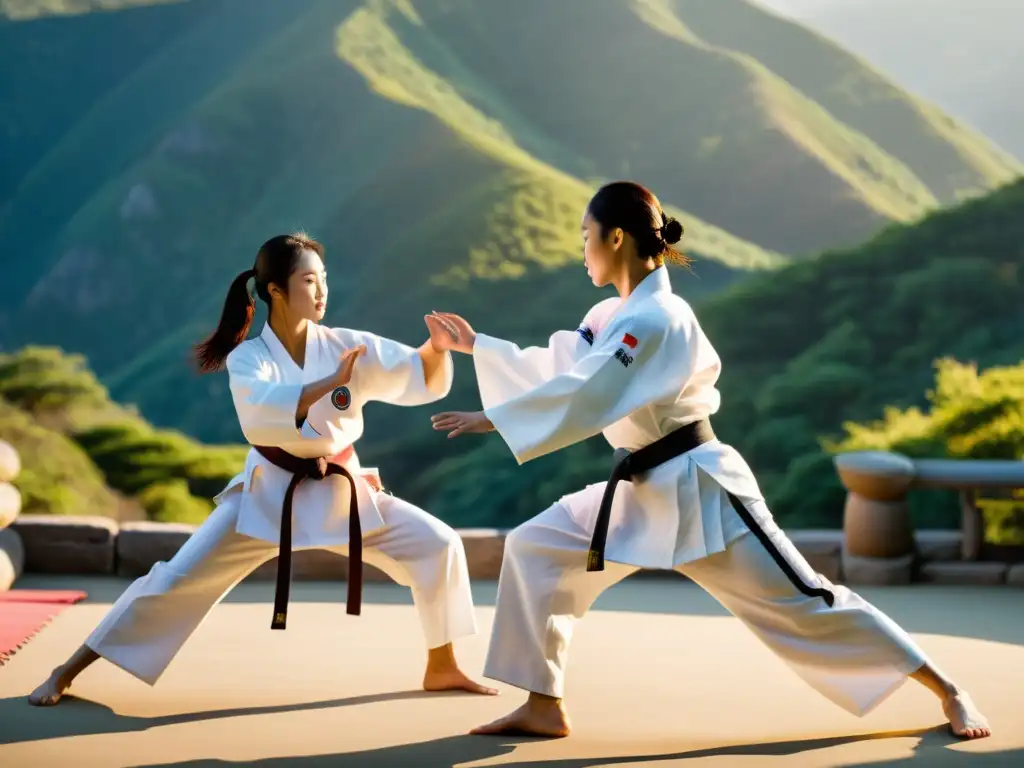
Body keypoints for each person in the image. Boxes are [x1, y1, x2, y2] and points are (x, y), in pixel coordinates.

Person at [428, 181, 991, 740]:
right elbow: (566, 365)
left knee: (808, 601)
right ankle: (543, 703)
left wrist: (496, 418)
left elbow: (590, 390)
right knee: (535, 546)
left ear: (616, 237)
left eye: (586, 236)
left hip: (702, 489)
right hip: (639, 488)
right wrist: (480, 347)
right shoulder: (612, 313)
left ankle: (949, 690)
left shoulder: (658, 318)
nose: (582, 250)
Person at [29, 232, 496, 706]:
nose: (321, 292)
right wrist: (328, 383)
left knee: (438, 545)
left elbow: (414, 373)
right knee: (174, 581)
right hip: (270, 495)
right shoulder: (249, 357)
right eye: (309, 281)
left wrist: (435, 350)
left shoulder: (348, 344)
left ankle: (442, 666)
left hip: (342, 491)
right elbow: (262, 414)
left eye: (324, 280)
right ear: (275, 290)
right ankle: (66, 671)